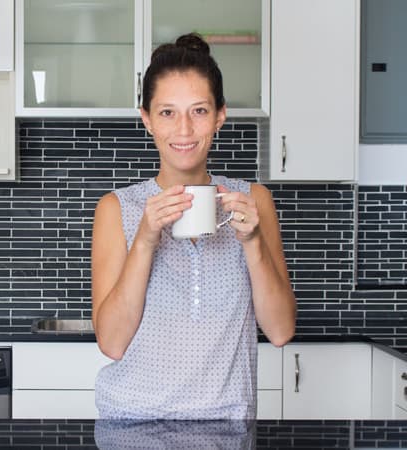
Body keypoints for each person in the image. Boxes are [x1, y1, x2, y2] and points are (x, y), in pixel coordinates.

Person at [91, 33, 296, 420]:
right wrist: (146, 239)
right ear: (146, 119)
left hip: (227, 425)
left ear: (220, 115)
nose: (184, 129)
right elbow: (113, 343)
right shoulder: (117, 208)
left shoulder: (254, 202)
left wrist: (252, 242)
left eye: (199, 111)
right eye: (167, 112)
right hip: (134, 423)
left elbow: (281, 331)